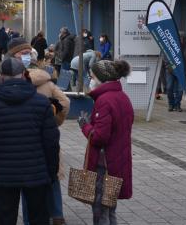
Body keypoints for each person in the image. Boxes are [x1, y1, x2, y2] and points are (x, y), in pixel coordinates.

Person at [0, 58, 60, 225]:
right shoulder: (41, 103)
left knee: (5, 218)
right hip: (36, 173)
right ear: (24, 75)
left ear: (1, 77)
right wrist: (52, 172)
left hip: (4, 174)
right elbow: (51, 142)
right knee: (38, 217)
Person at [78, 60, 133, 225]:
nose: (91, 80)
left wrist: (85, 126)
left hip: (105, 164)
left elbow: (100, 137)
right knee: (110, 208)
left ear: (101, 78)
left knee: (100, 210)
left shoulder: (104, 100)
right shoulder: (123, 97)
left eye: (92, 76)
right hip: (118, 160)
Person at [27, 51, 70, 225]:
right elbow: (66, 102)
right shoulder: (48, 84)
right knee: (53, 176)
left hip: (29, 135)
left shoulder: (21, 83)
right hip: (49, 134)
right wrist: (56, 120)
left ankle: (32, 217)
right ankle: (57, 215)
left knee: (30, 181)